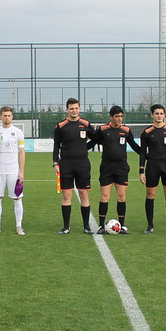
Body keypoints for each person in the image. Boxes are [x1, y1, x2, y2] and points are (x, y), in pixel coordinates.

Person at [93, 106, 141, 234]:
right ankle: (101, 226)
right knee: (104, 196)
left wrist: (147, 154)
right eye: (117, 116)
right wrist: (77, 151)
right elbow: (92, 142)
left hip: (122, 168)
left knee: (121, 196)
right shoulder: (103, 130)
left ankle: (123, 225)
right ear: (111, 117)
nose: (119, 119)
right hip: (106, 168)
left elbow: (134, 146)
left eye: (121, 116)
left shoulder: (126, 131)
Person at [53, 97, 94, 235]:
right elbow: (56, 145)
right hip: (66, 163)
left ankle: (87, 226)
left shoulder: (86, 124)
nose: (74, 111)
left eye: (76, 108)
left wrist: (84, 148)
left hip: (82, 163)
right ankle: (66, 227)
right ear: (67, 110)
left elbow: (95, 139)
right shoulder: (60, 126)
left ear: (79, 109)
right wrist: (55, 162)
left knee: (84, 194)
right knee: (66, 195)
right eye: (71, 108)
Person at [139, 103, 166, 234]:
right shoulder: (146, 132)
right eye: (156, 113)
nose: (159, 116)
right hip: (152, 165)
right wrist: (141, 171)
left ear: (164, 115)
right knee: (150, 195)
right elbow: (142, 152)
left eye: (161, 113)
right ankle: (150, 225)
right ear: (152, 115)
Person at [0, 106, 25, 235]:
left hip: (14, 171)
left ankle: (19, 226)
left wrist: (21, 172)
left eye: (9, 115)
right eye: (4, 115)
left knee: (17, 198)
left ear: (12, 117)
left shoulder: (18, 132)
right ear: (0, 117)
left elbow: (22, 153)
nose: (7, 118)